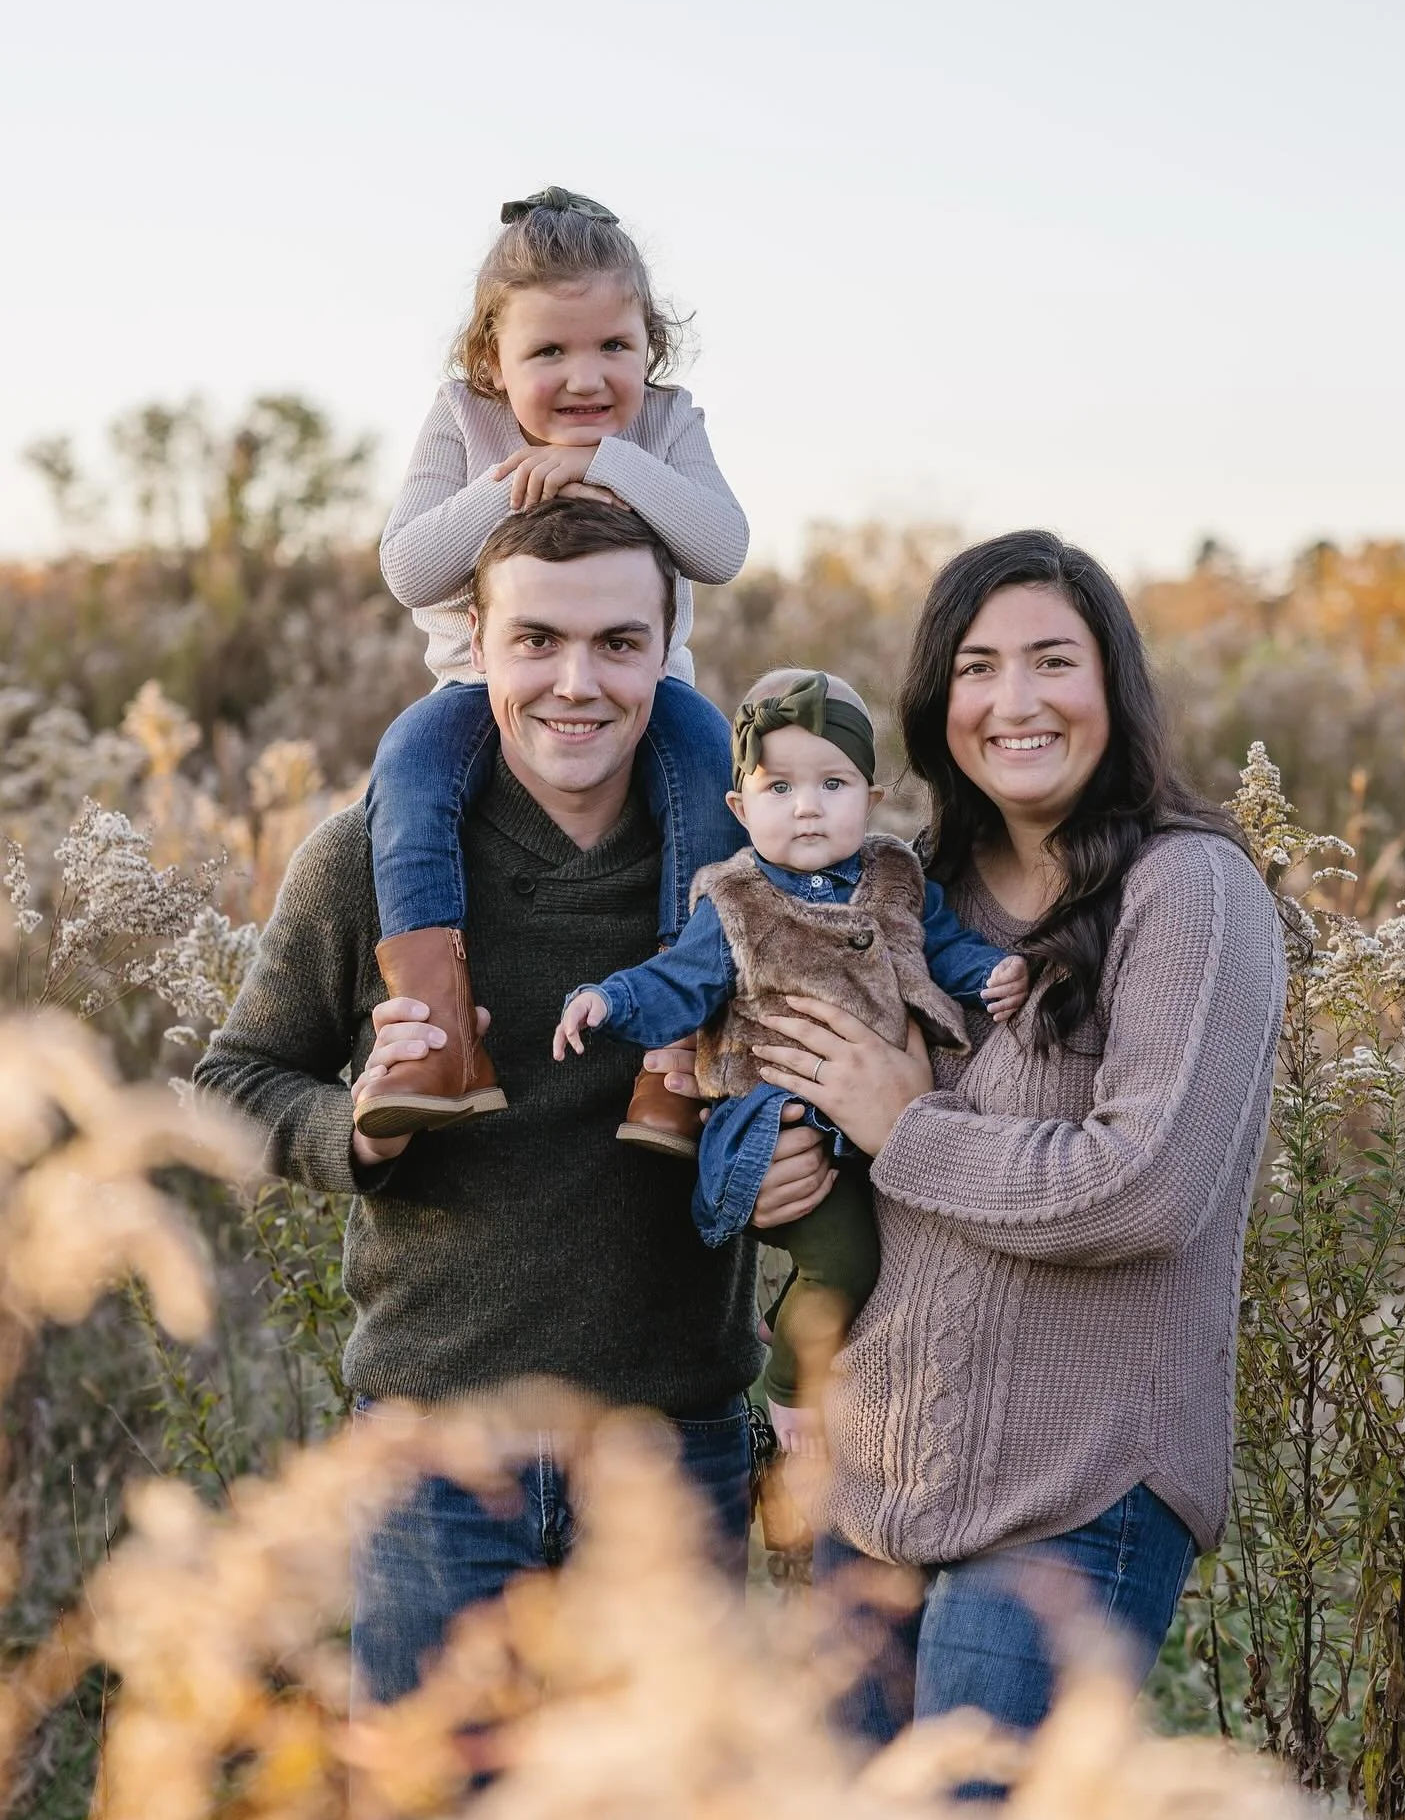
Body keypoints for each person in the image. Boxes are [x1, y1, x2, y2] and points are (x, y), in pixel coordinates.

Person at [194, 501, 758, 1710]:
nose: (575, 682)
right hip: (435, 1464)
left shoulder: (745, 876)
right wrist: (357, 1125)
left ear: (669, 647)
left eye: (618, 643)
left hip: (670, 1456)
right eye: (537, 641)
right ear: (477, 646)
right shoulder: (368, 860)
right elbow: (236, 1081)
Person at [737, 530, 1288, 1755]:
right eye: (980, 667)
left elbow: (1143, 1188)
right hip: (870, 1483)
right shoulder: (899, 894)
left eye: (1054, 661)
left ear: (1114, 689)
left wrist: (905, 1129)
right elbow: (821, 1111)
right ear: (940, 704)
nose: (1016, 701)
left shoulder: (1188, 891)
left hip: (1079, 1486)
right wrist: (788, 1173)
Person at [359, 184, 748, 1148]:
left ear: (649, 345)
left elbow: (721, 545)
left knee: (706, 760)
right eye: (549, 352)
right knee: (409, 764)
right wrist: (514, 485)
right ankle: (441, 1034)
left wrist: (604, 463)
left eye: (614, 346)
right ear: (493, 358)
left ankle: (676, 1051)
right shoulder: (465, 417)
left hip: (639, 696)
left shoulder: (663, 425)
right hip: (478, 691)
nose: (586, 378)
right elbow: (411, 568)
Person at [554, 668, 1028, 1457]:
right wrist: (611, 1001)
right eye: (779, 788)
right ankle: (788, 1394)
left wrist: (990, 973)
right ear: (740, 808)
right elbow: (680, 981)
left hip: (877, 1128)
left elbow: (938, 947)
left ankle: (797, 1319)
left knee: (894, 1263)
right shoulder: (738, 902)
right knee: (848, 1262)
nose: (807, 806)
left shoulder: (894, 878)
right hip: (782, 1123)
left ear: (871, 801)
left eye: (832, 783)